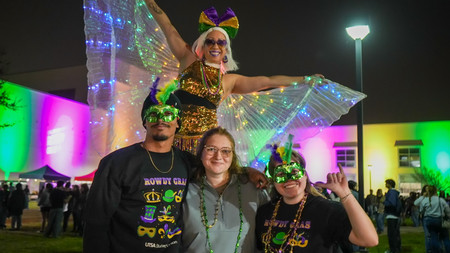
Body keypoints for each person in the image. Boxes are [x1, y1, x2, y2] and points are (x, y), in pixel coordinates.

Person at [141, 1, 366, 159]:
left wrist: (305, 79)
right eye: (211, 41)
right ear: (202, 44)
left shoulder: (229, 82)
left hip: (204, 145)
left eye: (221, 42)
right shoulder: (188, 60)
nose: (216, 46)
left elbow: (267, 81)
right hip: (174, 138)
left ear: (226, 49)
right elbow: (167, 26)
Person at [83, 82, 193, 252]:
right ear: (144, 121)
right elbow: (96, 222)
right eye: (153, 114)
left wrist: (249, 174)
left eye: (169, 114)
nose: (161, 119)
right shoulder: (116, 163)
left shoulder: (189, 163)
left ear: (178, 122)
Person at [255, 146, 378, 252]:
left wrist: (345, 194)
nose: (289, 179)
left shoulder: (326, 210)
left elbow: (369, 239)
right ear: (273, 180)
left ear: (305, 175)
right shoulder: (264, 213)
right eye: (281, 174)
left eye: (294, 171)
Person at [182, 127, 269, 252]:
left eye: (226, 151)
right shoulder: (184, 190)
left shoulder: (254, 188)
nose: (218, 156)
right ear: (201, 153)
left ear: (233, 156)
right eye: (211, 149)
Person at [416, 185, 450, 253]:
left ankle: (435, 251)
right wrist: (448, 217)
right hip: (439, 220)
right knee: (445, 237)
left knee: (433, 237)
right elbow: (447, 209)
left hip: (429, 220)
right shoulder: (440, 200)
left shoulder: (425, 200)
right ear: (435, 191)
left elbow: (421, 209)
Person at [384, 179, 402, 253]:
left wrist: (384, 202)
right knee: (395, 234)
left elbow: (392, 203)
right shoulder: (395, 193)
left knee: (391, 235)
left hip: (391, 215)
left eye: (386, 183)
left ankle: (393, 250)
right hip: (395, 216)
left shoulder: (391, 192)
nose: (385, 184)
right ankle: (397, 249)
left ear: (390, 184)